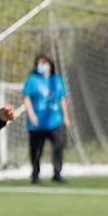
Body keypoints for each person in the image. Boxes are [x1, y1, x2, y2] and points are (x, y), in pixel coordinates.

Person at [22, 54, 70, 184]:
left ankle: (57, 173)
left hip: (55, 121)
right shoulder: (32, 80)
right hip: (37, 123)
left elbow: (62, 99)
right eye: (39, 63)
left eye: (44, 63)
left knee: (59, 144)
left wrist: (66, 116)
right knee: (36, 150)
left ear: (50, 64)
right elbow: (26, 98)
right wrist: (31, 115)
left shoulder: (57, 80)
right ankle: (35, 174)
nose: (42, 66)